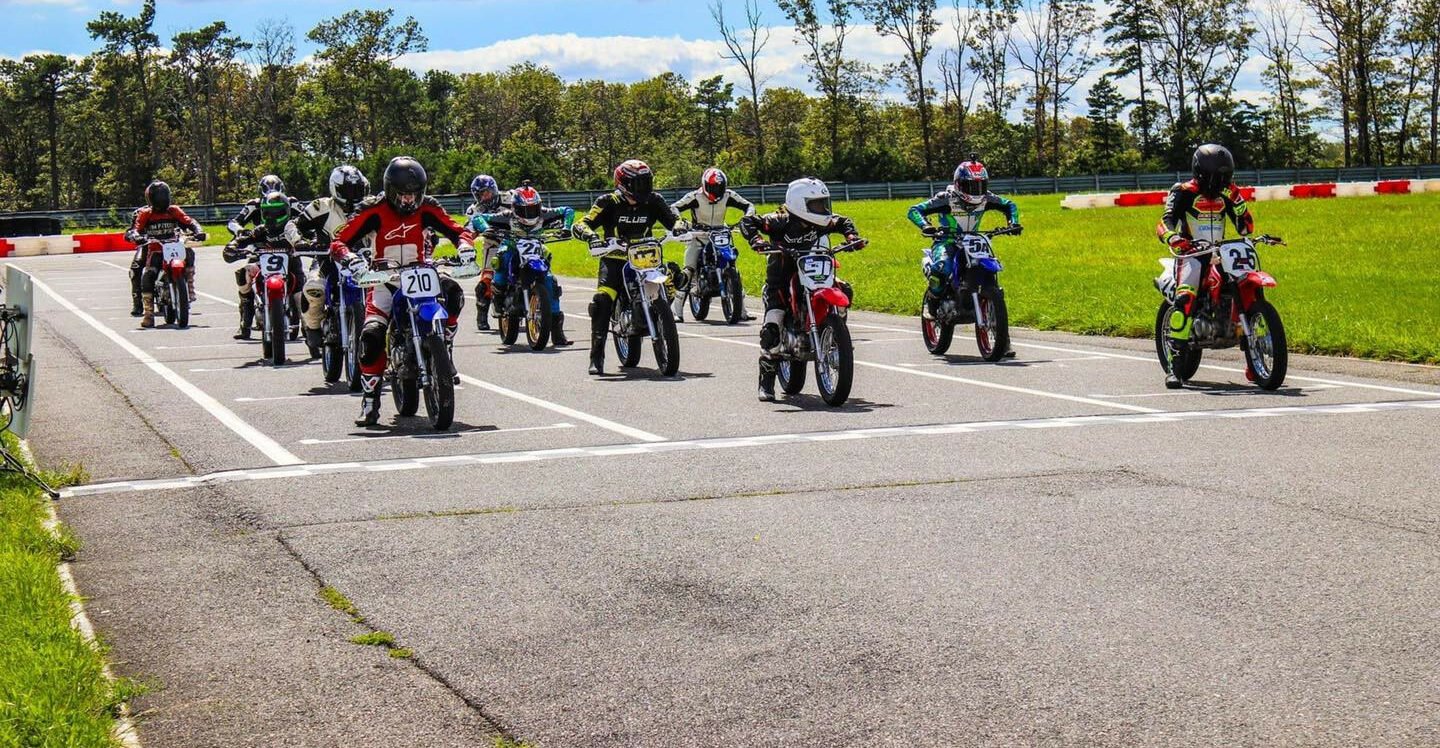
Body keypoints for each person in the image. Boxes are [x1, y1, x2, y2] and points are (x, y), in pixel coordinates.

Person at [329, 156, 475, 427]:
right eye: (403, 195)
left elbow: (457, 230)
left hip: (422, 272)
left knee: (453, 292)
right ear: (389, 189)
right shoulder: (372, 209)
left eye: (414, 194)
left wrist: (465, 246)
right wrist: (350, 258)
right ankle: (370, 400)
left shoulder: (429, 207)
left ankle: (445, 346)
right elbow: (340, 240)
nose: (409, 200)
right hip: (385, 279)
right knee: (371, 335)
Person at [738, 177, 865, 401]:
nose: (823, 209)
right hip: (782, 275)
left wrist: (852, 237)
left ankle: (834, 335)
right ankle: (766, 382)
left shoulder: (822, 221)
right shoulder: (779, 220)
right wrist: (757, 240)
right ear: (799, 203)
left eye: (823, 203)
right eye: (816, 205)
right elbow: (748, 222)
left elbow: (843, 221)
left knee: (845, 289)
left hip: (815, 269)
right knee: (772, 326)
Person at [571, 159, 685, 375]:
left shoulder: (654, 200)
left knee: (673, 277)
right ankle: (597, 357)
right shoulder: (608, 201)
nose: (643, 188)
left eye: (646, 182)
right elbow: (582, 223)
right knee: (602, 301)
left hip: (647, 258)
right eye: (638, 183)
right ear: (624, 183)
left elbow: (673, 219)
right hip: (614, 259)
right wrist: (592, 237)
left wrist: (680, 227)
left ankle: (660, 317)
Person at [1157, 143, 1256, 389]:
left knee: (1247, 284)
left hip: (1222, 252)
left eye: (1225, 176)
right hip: (1191, 253)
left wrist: (1238, 201)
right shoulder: (1182, 190)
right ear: (1200, 172)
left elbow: (1246, 228)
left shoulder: (1230, 193)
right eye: (1216, 177)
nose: (1220, 181)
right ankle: (1175, 367)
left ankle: (1255, 360)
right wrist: (1172, 237)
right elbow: (1165, 220)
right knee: (1186, 298)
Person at [907, 156, 1022, 353]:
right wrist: (926, 226)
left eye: (980, 185)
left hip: (975, 240)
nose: (976, 191)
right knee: (943, 266)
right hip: (947, 241)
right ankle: (932, 303)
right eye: (971, 186)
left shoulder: (987, 198)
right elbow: (915, 210)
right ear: (959, 184)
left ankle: (1003, 340)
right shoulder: (946, 198)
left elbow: (1009, 204)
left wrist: (1013, 223)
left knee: (992, 278)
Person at [472, 183, 576, 346]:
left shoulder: (544, 214)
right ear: (515, 208)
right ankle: (498, 296)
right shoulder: (506, 216)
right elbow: (478, 218)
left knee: (551, 281)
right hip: (512, 246)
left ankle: (557, 332)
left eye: (533, 208)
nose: (529, 213)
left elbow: (568, 210)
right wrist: (487, 228)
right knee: (501, 257)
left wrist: (566, 227)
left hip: (536, 248)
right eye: (524, 209)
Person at [286, 165, 371, 353]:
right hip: (327, 260)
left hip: (365, 261)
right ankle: (313, 326)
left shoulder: (371, 206)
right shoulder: (321, 207)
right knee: (313, 287)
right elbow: (293, 224)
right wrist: (298, 241)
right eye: (348, 190)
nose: (353, 195)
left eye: (357, 190)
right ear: (336, 189)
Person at [669, 167, 757, 322]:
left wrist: (747, 217)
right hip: (699, 236)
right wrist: (680, 222)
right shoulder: (695, 197)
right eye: (713, 188)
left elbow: (749, 205)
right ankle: (677, 312)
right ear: (705, 185)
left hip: (720, 234)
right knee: (689, 270)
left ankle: (742, 310)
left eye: (719, 188)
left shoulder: (729, 195)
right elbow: (674, 207)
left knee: (732, 267)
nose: (716, 191)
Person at [222, 191, 307, 339]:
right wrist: (233, 246)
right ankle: (245, 323)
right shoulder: (261, 230)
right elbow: (243, 239)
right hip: (264, 266)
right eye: (268, 212)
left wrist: (307, 246)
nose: (273, 216)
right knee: (244, 274)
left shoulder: (293, 229)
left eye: (278, 212)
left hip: (292, 267)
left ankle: (309, 331)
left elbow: (310, 237)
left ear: (286, 211)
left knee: (301, 296)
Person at [125, 181, 206, 328]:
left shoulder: (174, 210)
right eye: (158, 196)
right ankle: (149, 313)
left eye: (164, 195)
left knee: (189, 252)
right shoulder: (146, 214)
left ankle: (189, 284)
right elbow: (136, 229)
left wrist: (198, 231)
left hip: (174, 246)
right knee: (148, 276)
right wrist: (136, 236)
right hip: (156, 249)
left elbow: (189, 221)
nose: (161, 199)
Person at [465, 174, 508, 330]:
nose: (486, 196)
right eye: (481, 194)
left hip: (517, 240)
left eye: (488, 191)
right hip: (493, 244)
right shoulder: (474, 210)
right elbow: (468, 232)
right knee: (486, 281)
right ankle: (481, 316)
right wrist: (466, 246)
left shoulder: (510, 198)